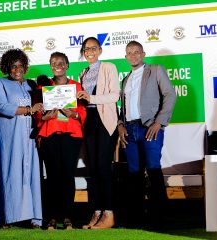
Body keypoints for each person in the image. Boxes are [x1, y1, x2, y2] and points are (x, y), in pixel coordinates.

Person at [117, 40, 176, 229]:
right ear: (126, 57)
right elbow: (122, 108)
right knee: (134, 174)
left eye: (136, 52)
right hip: (130, 130)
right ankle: (135, 218)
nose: (133, 55)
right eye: (129, 53)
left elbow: (170, 94)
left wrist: (159, 122)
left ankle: (159, 219)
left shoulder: (155, 69)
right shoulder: (125, 80)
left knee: (153, 170)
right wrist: (120, 124)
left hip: (150, 127)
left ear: (143, 54)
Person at [0, 49, 44, 228]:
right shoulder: (0, 82)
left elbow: (41, 107)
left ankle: (33, 217)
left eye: (20, 66)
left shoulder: (32, 85)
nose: (17, 70)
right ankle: (5, 217)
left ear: (25, 67)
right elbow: (0, 105)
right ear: (7, 67)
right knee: (8, 172)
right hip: (8, 137)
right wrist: (28, 110)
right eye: (13, 66)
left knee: (30, 173)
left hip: (29, 137)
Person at [35, 52, 86, 230]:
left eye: (61, 62)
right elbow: (38, 113)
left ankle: (67, 216)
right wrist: (45, 117)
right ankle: (51, 217)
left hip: (71, 135)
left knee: (67, 176)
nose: (57, 65)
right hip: (50, 135)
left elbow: (83, 111)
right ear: (50, 66)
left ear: (67, 65)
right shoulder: (44, 87)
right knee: (53, 176)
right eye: (54, 62)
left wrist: (75, 114)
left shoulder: (76, 86)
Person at [76, 37, 120, 229]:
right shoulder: (82, 72)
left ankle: (109, 213)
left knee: (103, 167)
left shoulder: (109, 67)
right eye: (86, 49)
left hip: (105, 121)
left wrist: (91, 97)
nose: (90, 52)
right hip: (89, 121)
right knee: (92, 169)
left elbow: (114, 95)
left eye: (93, 48)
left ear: (100, 50)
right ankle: (96, 212)